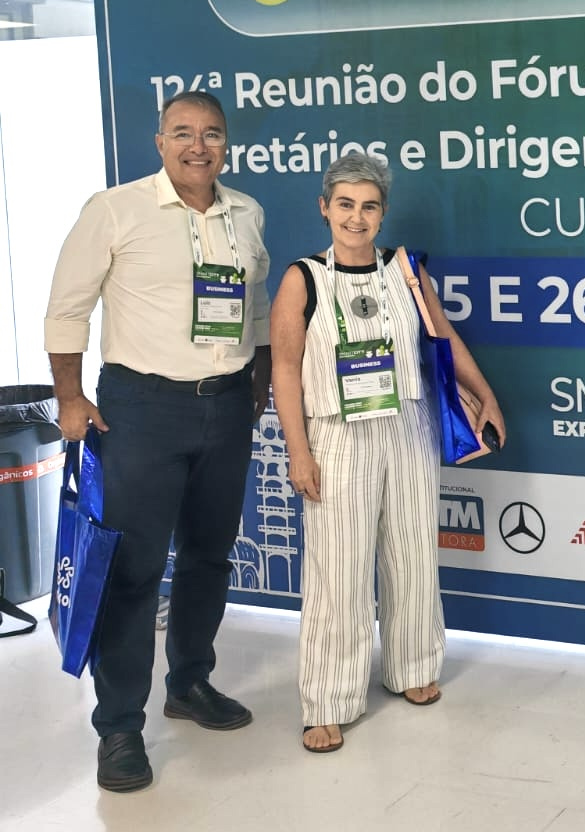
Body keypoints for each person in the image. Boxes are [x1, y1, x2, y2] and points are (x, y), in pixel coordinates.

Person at [44, 91, 271, 793]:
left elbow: (257, 305)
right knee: (133, 569)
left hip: (226, 406)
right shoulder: (115, 209)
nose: (198, 146)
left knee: (208, 556)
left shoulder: (246, 212)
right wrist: (70, 396)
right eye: (183, 133)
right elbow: (68, 307)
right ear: (160, 142)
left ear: (227, 144)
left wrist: (259, 380)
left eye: (212, 134)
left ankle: (189, 683)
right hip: (141, 409)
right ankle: (118, 728)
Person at [271, 151, 504, 753]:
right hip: (336, 433)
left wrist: (486, 397)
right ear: (324, 208)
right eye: (345, 204)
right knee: (338, 569)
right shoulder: (302, 278)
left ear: (383, 213)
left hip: (406, 426)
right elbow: (285, 369)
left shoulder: (406, 271)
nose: (357, 217)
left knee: (412, 551)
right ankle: (328, 699)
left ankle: (413, 665)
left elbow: (443, 337)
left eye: (369, 206)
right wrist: (298, 450)